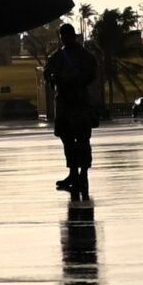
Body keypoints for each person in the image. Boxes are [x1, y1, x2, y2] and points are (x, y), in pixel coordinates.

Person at [43, 22, 101, 194]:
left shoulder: (73, 56)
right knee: (72, 140)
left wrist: (67, 82)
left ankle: (80, 174)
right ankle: (76, 173)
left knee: (78, 140)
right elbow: (47, 73)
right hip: (71, 103)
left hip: (74, 103)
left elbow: (91, 75)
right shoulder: (68, 56)